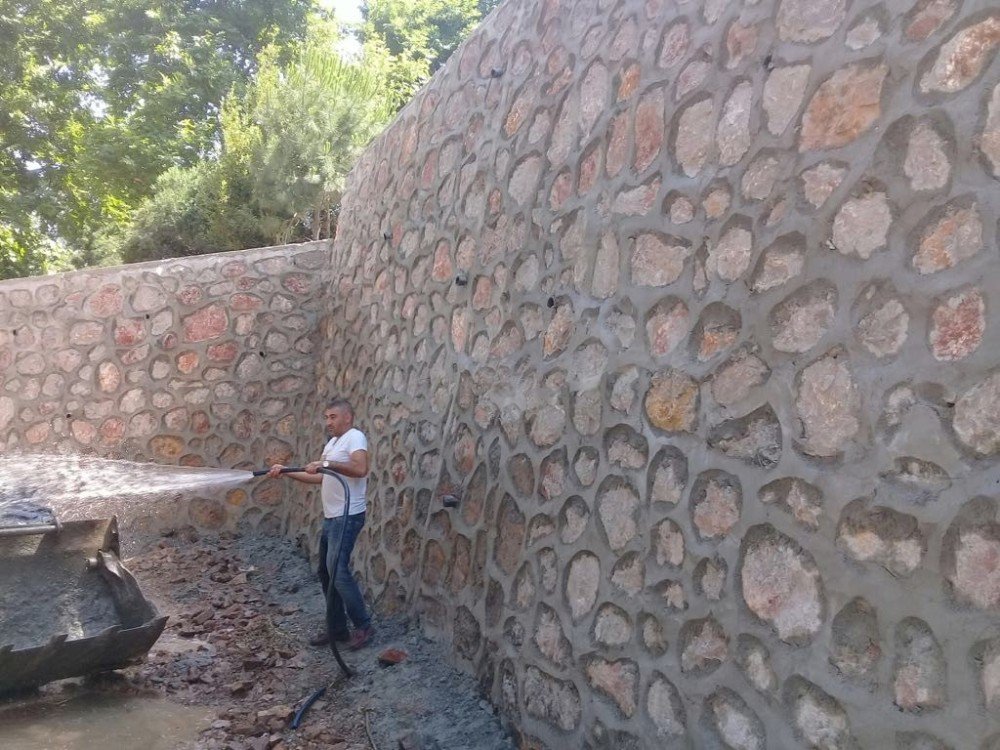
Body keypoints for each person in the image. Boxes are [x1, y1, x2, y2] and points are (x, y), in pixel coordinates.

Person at [268, 397, 374, 650]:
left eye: (333, 417)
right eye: (326, 417)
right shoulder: (334, 444)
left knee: (338, 572)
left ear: (347, 417)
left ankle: (364, 626)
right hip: (332, 517)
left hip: (347, 516)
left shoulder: (355, 437)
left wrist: (325, 463)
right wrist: (286, 472)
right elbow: (320, 478)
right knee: (326, 573)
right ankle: (337, 629)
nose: (328, 422)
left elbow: (360, 469)